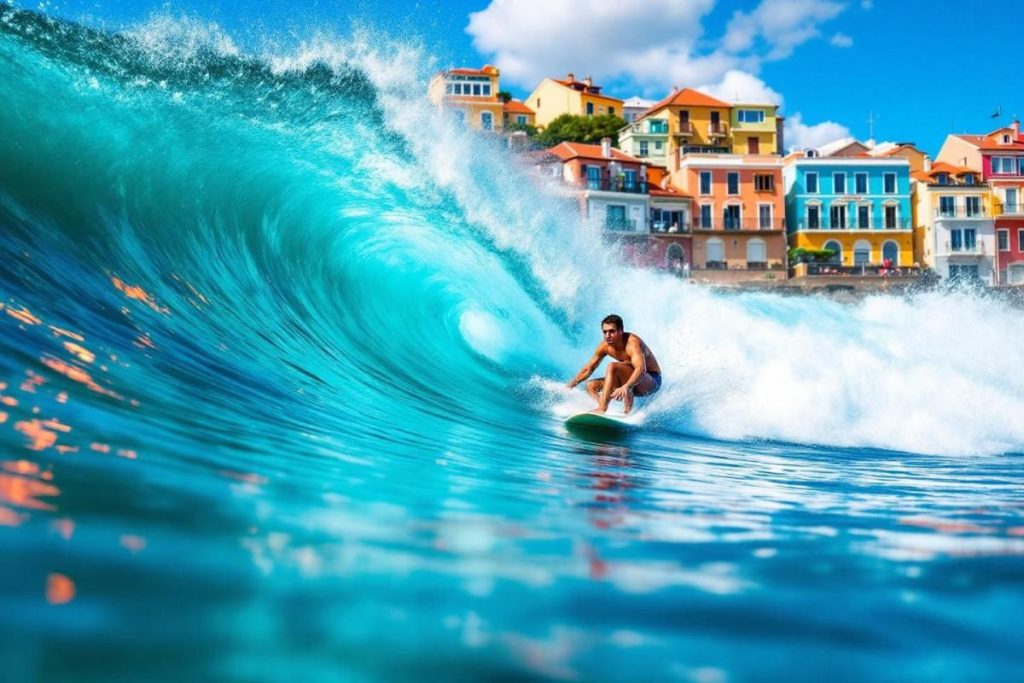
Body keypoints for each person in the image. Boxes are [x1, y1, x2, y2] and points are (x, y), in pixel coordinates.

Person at [566, 314, 662, 414]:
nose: (607, 335)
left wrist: (627, 386)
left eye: (612, 331)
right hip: (630, 381)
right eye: (605, 332)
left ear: (620, 331)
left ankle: (609, 409)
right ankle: (604, 410)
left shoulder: (632, 343)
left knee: (612, 367)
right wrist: (572, 384)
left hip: (651, 381)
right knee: (591, 386)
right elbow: (588, 369)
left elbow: (641, 369)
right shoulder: (604, 346)